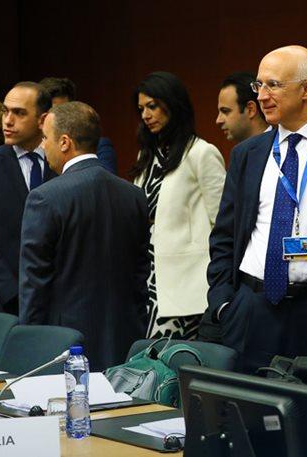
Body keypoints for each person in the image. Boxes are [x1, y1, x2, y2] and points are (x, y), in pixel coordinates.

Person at [205, 45, 307, 372]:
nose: (262, 96)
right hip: (250, 310)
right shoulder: (247, 153)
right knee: (246, 402)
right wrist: (224, 303)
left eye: (273, 85)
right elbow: (224, 235)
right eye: (259, 85)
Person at [19, 101, 149, 371]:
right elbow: (141, 275)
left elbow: (35, 284)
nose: (43, 146)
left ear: (64, 142)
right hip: (125, 339)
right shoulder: (134, 195)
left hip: (64, 346)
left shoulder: (44, 197)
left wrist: (30, 347)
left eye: (45, 138)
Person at [129, 71, 226, 340]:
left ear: (173, 104)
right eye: (141, 109)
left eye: (152, 106)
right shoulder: (147, 156)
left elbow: (222, 222)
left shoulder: (201, 152)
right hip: (148, 274)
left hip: (187, 281)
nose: (146, 115)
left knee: (171, 356)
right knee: (148, 354)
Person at [0, 82, 56, 316]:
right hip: (5, 302)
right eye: (5, 111)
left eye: (19, 113)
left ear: (43, 119)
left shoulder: (61, 162)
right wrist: (11, 293)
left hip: (60, 300)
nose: (8, 121)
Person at [39, 77, 118, 174]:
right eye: (50, 111)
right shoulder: (27, 148)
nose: (57, 117)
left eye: (63, 111)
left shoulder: (95, 145)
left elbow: (101, 181)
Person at [217, 72, 271, 143]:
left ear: (250, 109)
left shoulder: (280, 145)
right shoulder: (241, 149)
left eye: (225, 111)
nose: (218, 120)